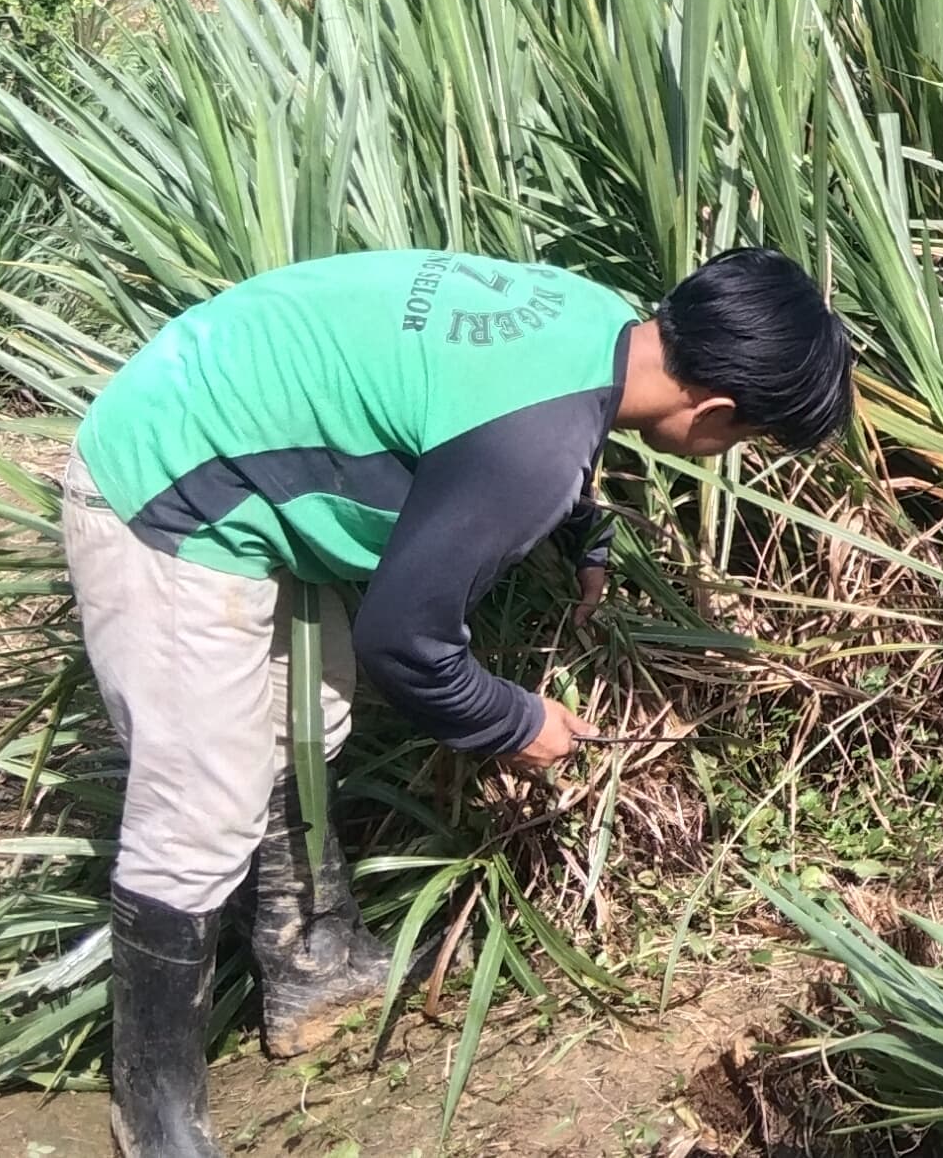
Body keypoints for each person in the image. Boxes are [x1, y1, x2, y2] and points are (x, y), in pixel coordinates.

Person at [62, 246, 853, 1158]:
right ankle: (153, 1112)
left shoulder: (601, 321)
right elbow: (402, 641)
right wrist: (514, 723)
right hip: (169, 488)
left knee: (304, 726)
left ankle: (310, 963)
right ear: (713, 411)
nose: (732, 450)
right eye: (746, 438)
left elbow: (500, 414)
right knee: (196, 811)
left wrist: (582, 523)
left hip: (219, 415)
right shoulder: (537, 449)